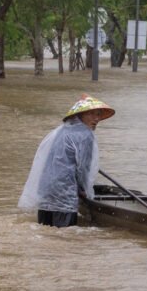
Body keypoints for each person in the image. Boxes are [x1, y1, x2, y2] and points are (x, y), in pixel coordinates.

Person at [18, 94, 115, 227]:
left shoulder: (61, 131)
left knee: (44, 234)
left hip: (45, 192)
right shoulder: (86, 135)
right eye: (92, 114)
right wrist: (83, 190)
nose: (97, 118)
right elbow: (83, 169)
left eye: (98, 114)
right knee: (65, 237)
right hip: (64, 195)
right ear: (80, 115)